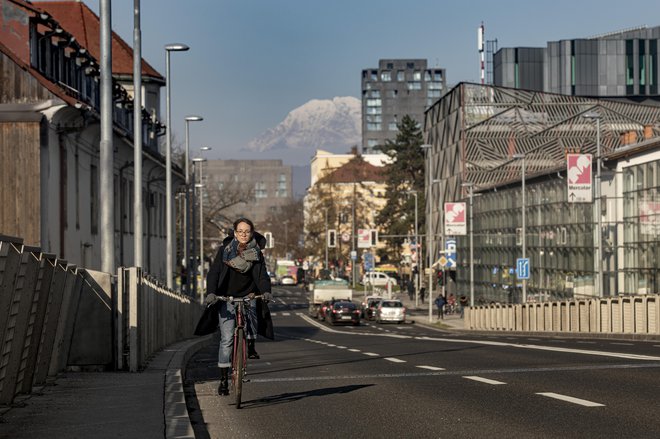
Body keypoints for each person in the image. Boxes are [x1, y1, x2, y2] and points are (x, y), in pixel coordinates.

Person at [204, 218, 272, 396]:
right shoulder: (224, 251)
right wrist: (211, 292)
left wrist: (265, 291)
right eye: (240, 231)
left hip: (248, 295)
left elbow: (263, 275)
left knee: (253, 314)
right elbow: (214, 273)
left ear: (252, 233)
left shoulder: (257, 253)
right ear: (234, 233)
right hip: (226, 297)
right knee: (226, 339)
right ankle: (224, 380)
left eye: (247, 231)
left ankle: (250, 344)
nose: (243, 234)